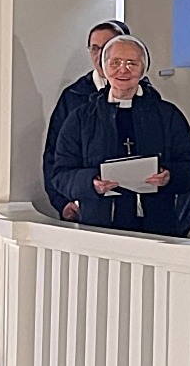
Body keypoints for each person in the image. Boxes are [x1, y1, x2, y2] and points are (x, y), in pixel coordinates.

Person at [52, 36, 190, 237]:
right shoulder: (82, 118)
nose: (123, 70)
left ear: (143, 69)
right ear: (104, 68)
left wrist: (169, 176)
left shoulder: (167, 115)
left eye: (132, 63)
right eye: (115, 63)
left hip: (157, 225)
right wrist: (90, 183)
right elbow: (61, 174)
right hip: (99, 226)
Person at [43, 20, 132, 220]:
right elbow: (54, 153)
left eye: (107, 47)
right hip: (86, 204)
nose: (100, 55)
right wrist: (61, 201)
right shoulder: (75, 96)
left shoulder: (145, 95)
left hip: (133, 205)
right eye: (95, 48)